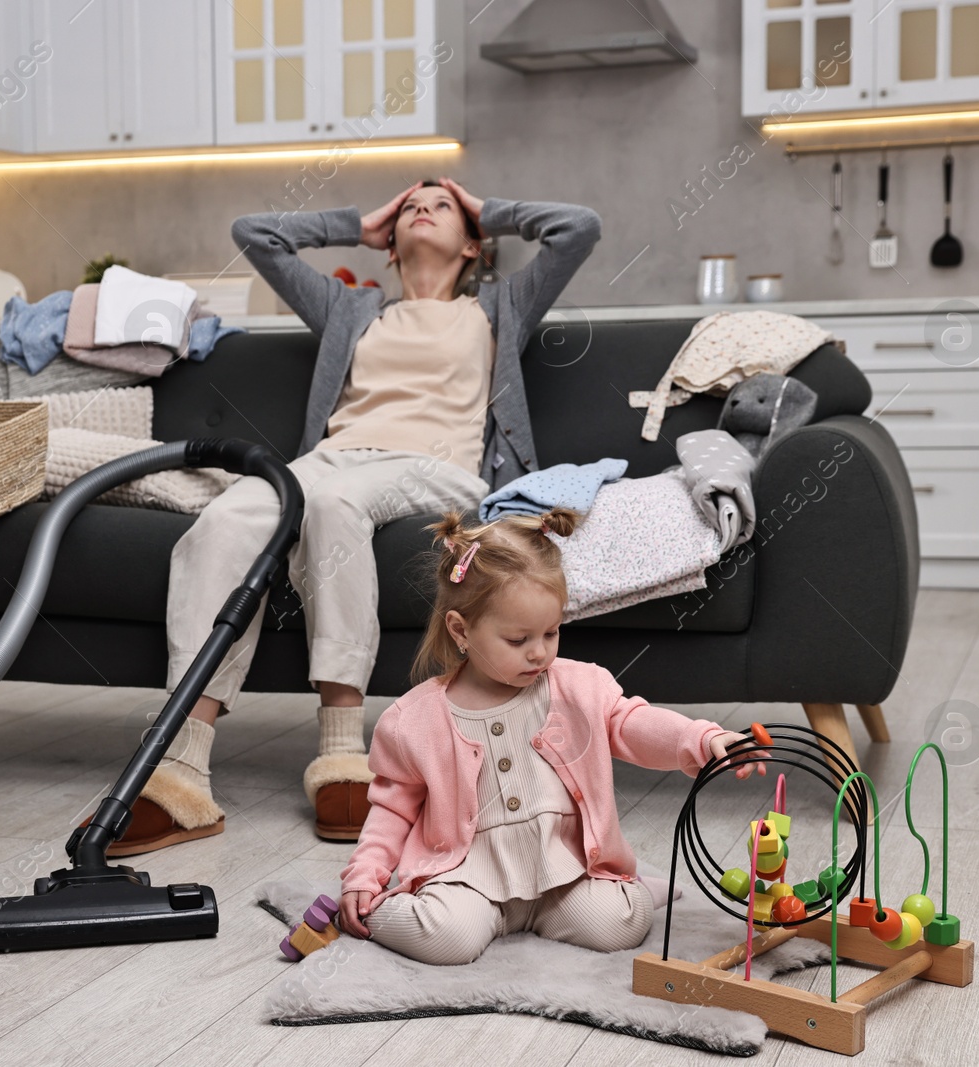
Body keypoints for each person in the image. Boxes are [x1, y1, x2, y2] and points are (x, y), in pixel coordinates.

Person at [108, 178, 603, 857]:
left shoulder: (500, 306)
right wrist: (357, 224)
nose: (423, 207)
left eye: (443, 206)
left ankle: (343, 753)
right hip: (331, 460)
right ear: (390, 247)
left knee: (333, 508)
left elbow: (578, 223)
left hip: (437, 470)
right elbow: (255, 232)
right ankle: (183, 770)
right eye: (410, 206)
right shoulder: (353, 310)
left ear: (471, 244)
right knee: (219, 523)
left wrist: (488, 211)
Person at [335, 508, 767, 963]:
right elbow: (391, 809)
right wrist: (364, 877)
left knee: (618, 924)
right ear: (461, 630)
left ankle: (625, 893)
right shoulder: (413, 721)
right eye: (518, 640)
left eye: (552, 632)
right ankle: (384, 913)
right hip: (466, 877)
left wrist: (701, 739)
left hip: (563, 873)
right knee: (448, 940)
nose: (539, 652)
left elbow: (631, 723)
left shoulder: (578, 686)